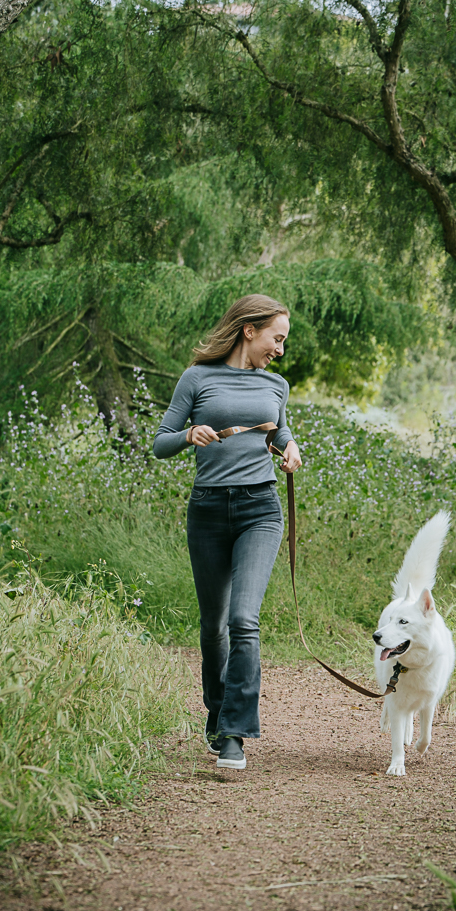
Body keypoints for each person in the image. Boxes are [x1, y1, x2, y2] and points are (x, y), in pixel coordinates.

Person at [153, 294, 302, 771]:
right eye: (276, 338)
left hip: (261, 508)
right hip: (209, 511)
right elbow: (160, 442)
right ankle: (217, 716)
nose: (279, 349)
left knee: (244, 620)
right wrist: (189, 435)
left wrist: (291, 447)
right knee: (213, 627)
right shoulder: (197, 378)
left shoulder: (275, 385)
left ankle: (236, 733)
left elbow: (278, 432)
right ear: (249, 330)